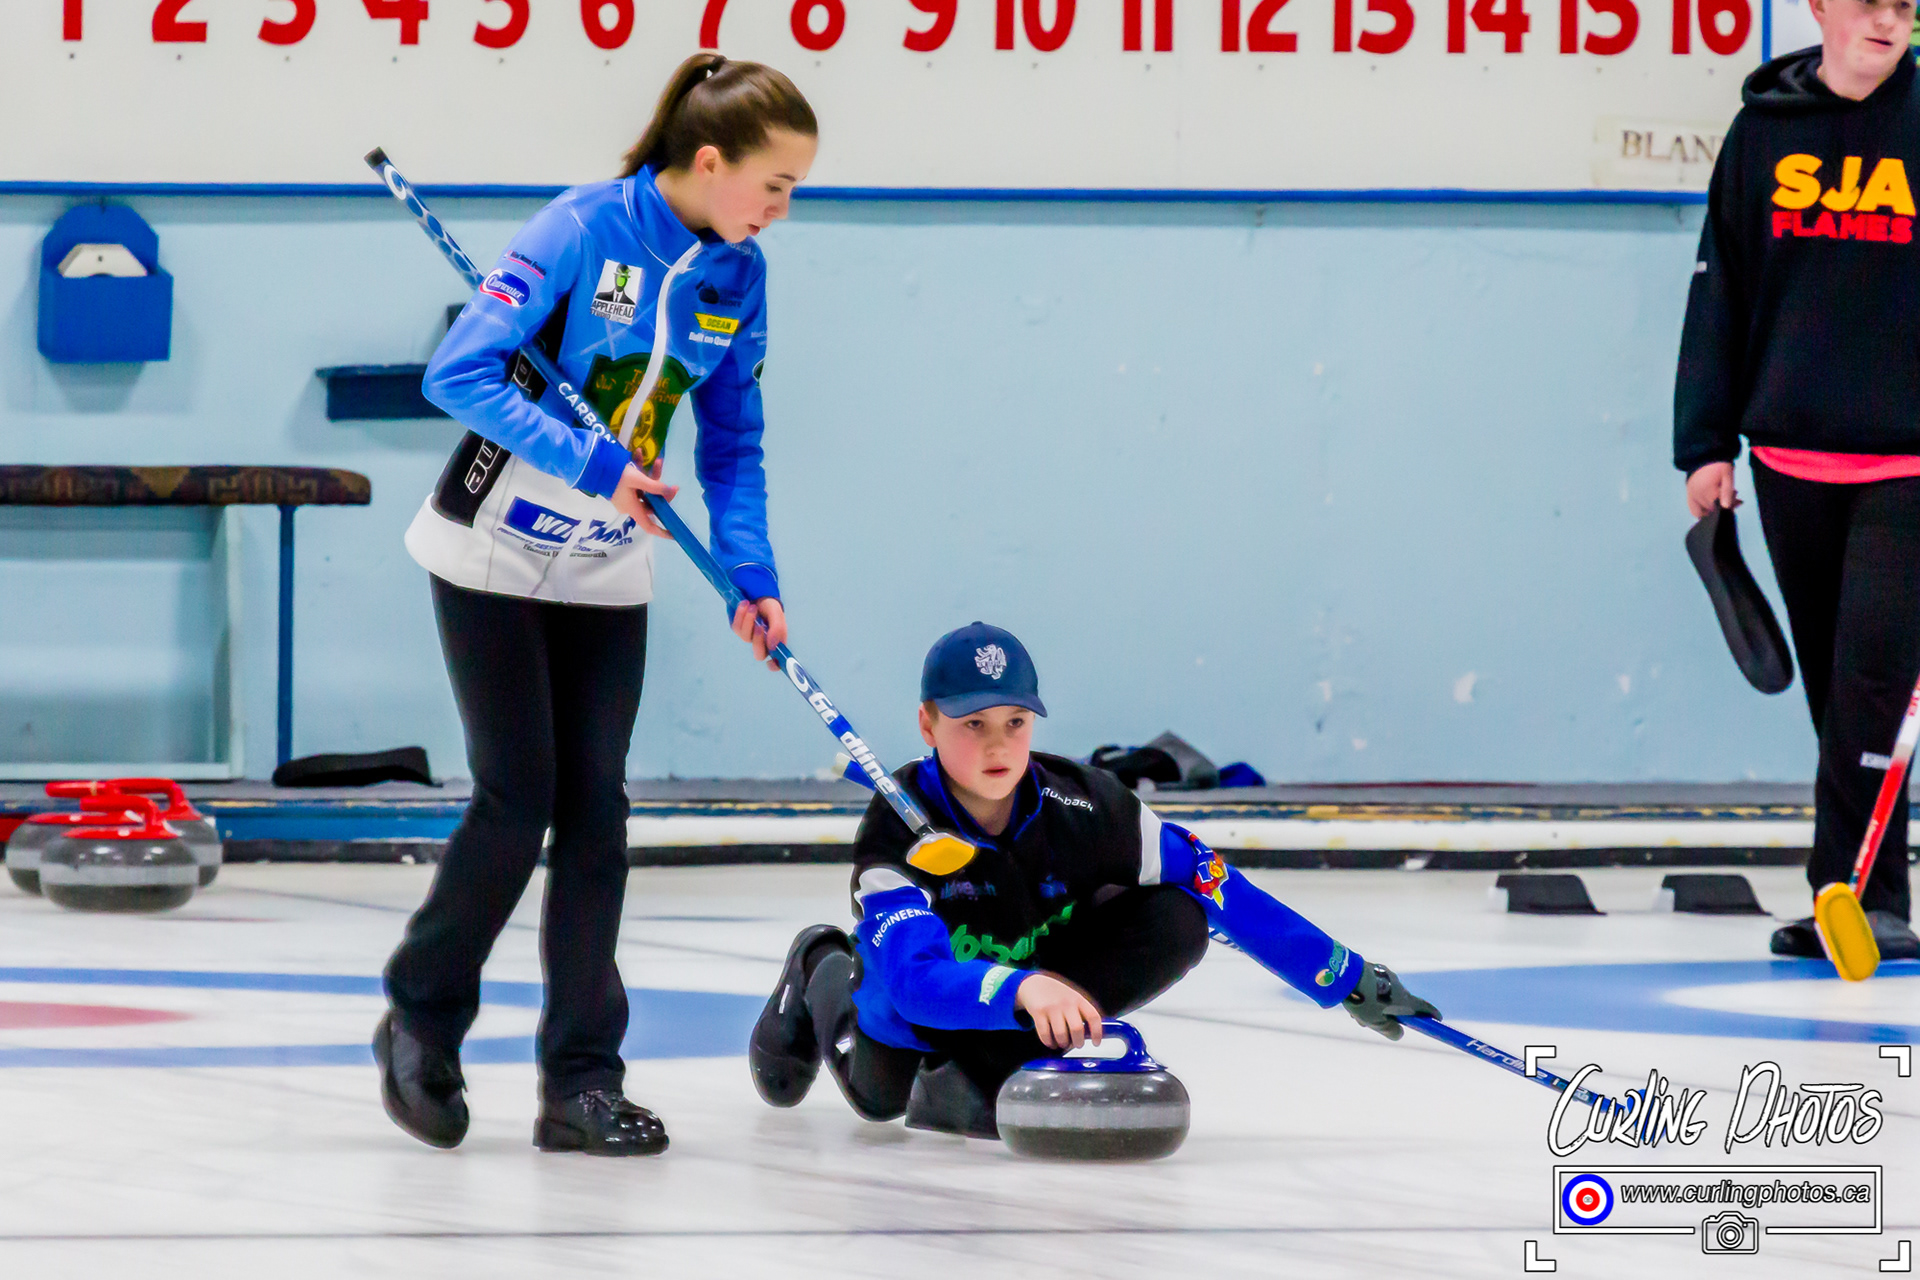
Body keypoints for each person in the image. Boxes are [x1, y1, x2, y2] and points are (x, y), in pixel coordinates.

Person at [374, 53, 818, 1155]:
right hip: (493, 544)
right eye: (775, 185)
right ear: (709, 162)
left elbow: (731, 439)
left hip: (609, 558)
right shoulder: (581, 229)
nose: (782, 209)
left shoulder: (738, 277)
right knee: (517, 795)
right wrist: (586, 456)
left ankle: (581, 1079)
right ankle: (421, 1018)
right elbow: (459, 374)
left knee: (599, 815)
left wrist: (752, 575)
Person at [746, 623, 1440, 1138]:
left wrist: (1345, 976)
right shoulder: (898, 829)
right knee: (878, 1101)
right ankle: (821, 965)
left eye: (1015, 723)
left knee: (1178, 916)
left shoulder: (1089, 806)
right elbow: (914, 980)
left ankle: (994, 1064)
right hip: (936, 998)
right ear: (927, 723)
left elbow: (1216, 886)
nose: (997, 745)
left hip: (1033, 986)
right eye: (973, 724)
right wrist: (1019, 986)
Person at [1675, 0, 1920, 961]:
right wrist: (1704, 445)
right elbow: (1719, 288)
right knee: (1834, 688)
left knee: (1873, 679)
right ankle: (1871, 893)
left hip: (1910, 464)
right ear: (1820, 6)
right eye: (1869, 2)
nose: (1889, 21)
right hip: (1791, 459)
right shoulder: (1761, 135)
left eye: (1905, 5)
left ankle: (1849, 895)